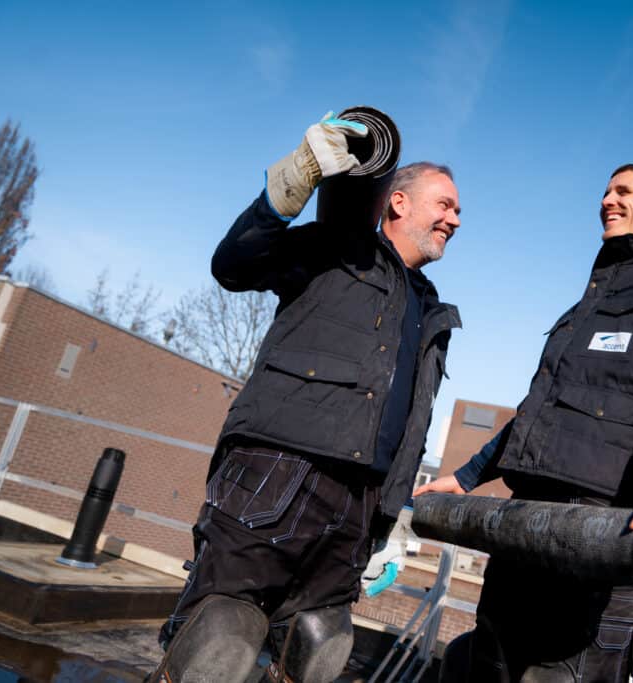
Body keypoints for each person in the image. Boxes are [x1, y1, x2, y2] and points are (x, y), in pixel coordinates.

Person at [149, 113, 463, 683]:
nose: (455, 219)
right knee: (218, 643)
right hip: (281, 473)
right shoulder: (333, 248)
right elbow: (234, 265)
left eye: (457, 210)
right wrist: (294, 180)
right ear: (397, 202)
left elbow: (409, 422)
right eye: (444, 205)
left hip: (360, 504)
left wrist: (388, 521)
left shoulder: (428, 306)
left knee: (318, 647)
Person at [416, 164, 633, 682]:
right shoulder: (585, 307)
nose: (607, 199)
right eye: (605, 191)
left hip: (602, 532)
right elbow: (539, 413)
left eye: (623, 191)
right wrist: (469, 474)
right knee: (488, 665)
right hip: (526, 525)